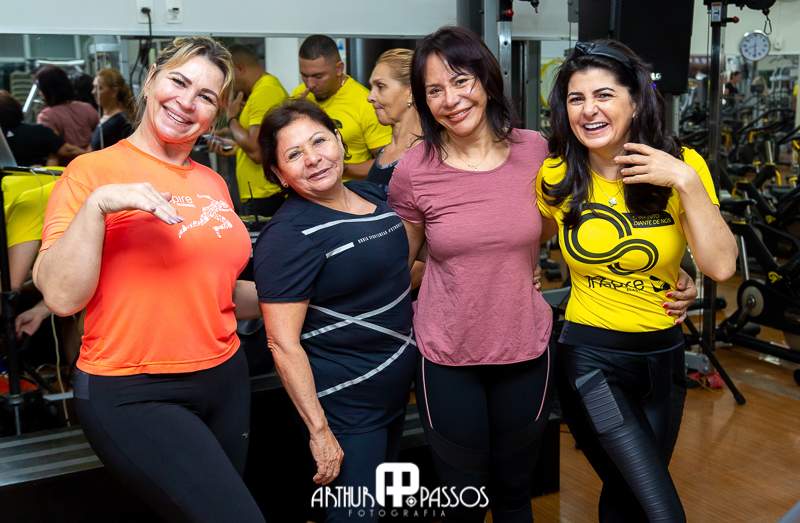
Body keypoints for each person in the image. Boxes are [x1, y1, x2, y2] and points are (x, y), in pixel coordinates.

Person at [32, 36, 265, 523]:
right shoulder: (90, 173)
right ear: (150, 80)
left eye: (206, 96)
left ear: (215, 115)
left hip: (225, 378)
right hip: (134, 389)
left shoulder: (212, 182)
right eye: (178, 81)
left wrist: (302, 293)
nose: (187, 101)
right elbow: (60, 297)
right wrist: (98, 207)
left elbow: (214, 291)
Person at [536, 40, 737, 522]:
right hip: (591, 362)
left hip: (665, 360)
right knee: (661, 512)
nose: (588, 109)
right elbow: (521, 239)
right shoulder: (556, 173)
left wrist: (685, 180)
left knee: (627, 500)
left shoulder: (683, 166)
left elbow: (722, 267)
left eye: (604, 95)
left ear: (635, 101)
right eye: (576, 98)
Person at [386, 25, 556, 522]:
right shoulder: (414, 169)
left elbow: (552, 227)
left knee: (514, 496)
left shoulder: (535, 150)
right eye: (434, 90)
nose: (451, 100)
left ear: (485, 79)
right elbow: (400, 264)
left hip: (524, 347)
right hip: (447, 355)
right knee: (463, 502)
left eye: (461, 81)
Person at [253, 98, 416, 523]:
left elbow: (396, 274)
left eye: (319, 141)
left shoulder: (371, 195)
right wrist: (320, 431)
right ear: (279, 174)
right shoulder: (288, 235)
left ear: (340, 141)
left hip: (394, 392)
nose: (313, 159)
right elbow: (282, 343)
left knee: (376, 511)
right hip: (346, 404)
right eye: (293, 154)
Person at [291, 35, 390, 179]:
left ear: (339, 69)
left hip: (349, 189)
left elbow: (386, 163)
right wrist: (294, 116)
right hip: (307, 189)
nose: (310, 84)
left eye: (318, 76)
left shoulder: (366, 103)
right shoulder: (300, 95)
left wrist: (338, 166)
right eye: (304, 76)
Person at [209, 44, 288, 217]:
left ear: (239, 68)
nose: (232, 87)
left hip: (266, 195)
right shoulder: (260, 91)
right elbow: (265, 144)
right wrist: (235, 148)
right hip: (260, 194)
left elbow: (257, 152)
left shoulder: (265, 91)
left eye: (230, 79)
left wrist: (231, 118)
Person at [365, 48, 420, 191]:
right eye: (372, 87)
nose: (370, 97)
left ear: (411, 93)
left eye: (381, 87)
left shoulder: (428, 156)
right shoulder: (383, 153)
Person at [0, 90, 86, 167]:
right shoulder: (38, 131)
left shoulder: (3, 137)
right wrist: (89, 155)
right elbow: (68, 150)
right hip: (37, 177)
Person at [35, 66, 99, 164]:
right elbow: (98, 138)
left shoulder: (46, 117)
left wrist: (86, 156)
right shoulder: (88, 108)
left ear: (44, 92)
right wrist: (90, 156)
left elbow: (62, 149)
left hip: (67, 169)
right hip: (93, 164)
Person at [91, 68, 134, 150]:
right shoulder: (106, 118)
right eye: (94, 87)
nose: (93, 92)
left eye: (99, 88)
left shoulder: (121, 122)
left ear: (114, 92)